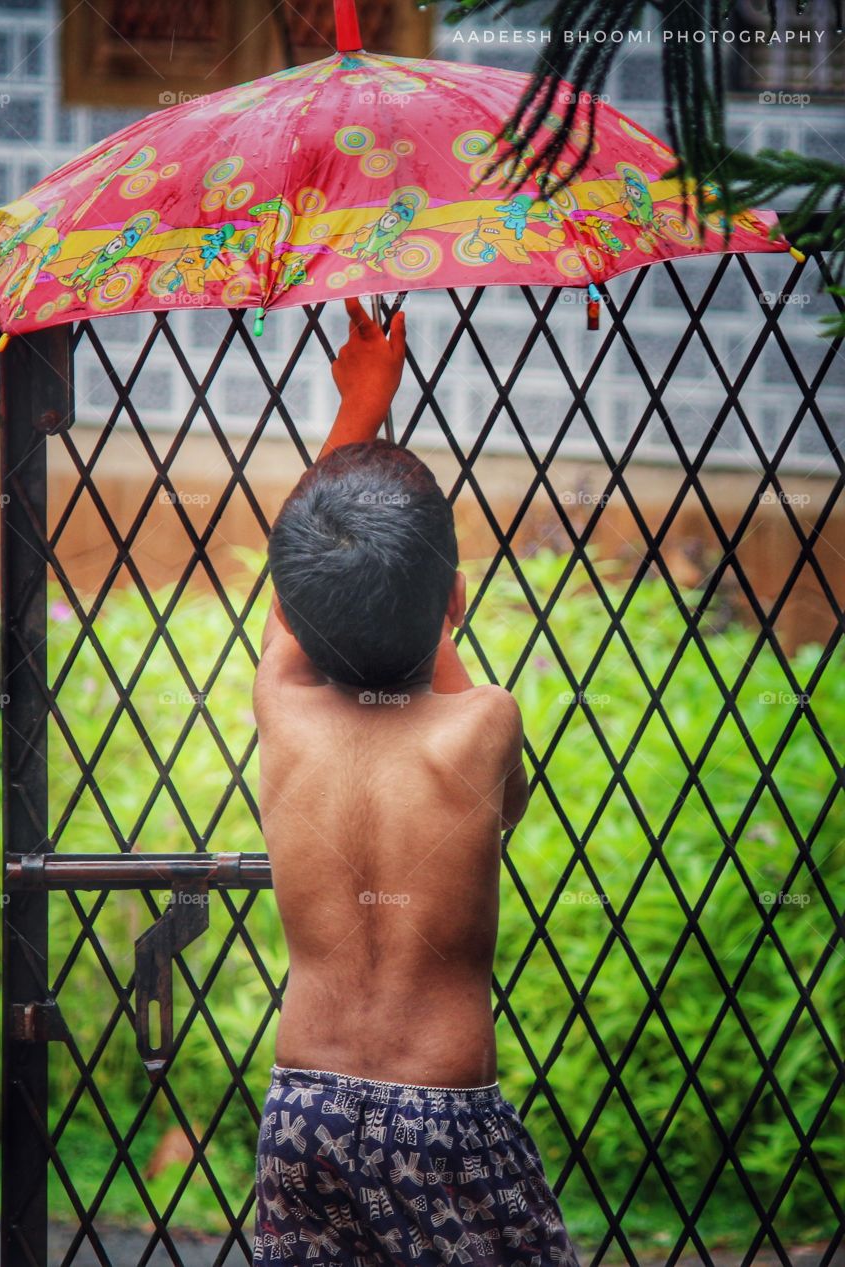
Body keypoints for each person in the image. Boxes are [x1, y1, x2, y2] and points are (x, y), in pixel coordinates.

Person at [251, 297, 581, 1266]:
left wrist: (359, 406)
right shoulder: (484, 727)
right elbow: (499, 793)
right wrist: (423, 590)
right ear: (455, 600)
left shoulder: (285, 709)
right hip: (444, 1124)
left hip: (302, 1109)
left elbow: (298, 594)